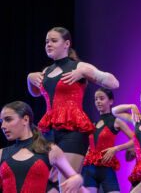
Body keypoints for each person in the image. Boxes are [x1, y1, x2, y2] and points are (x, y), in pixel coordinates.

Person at [26, 27, 119, 191]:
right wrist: (29, 78)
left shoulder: (78, 66)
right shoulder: (47, 71)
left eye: (54, 41)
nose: (49, 44)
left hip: (73, 132)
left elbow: (113, 83)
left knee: (67, 185)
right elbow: (35, 93)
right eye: (47, 41)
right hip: (49, 131)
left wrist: (85, 71)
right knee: (46, 184)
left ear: (66, 44)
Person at [0, 101, 87, 193]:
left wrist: (78, 179)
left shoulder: (50, 150)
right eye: (1, 122)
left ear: (25, 120)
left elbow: (74, 177)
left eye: (8, 119)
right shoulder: (2, 153)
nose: (2, 126)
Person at [82, 88, 133, 192]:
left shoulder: (116, 121)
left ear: (110, 101)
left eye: (101, 98)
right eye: (96, 99)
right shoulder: (94, 124)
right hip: (89, 170)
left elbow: (135, 139)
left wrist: (116, 149)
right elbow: (93, 144)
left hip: (106, 168)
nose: (98, 101)